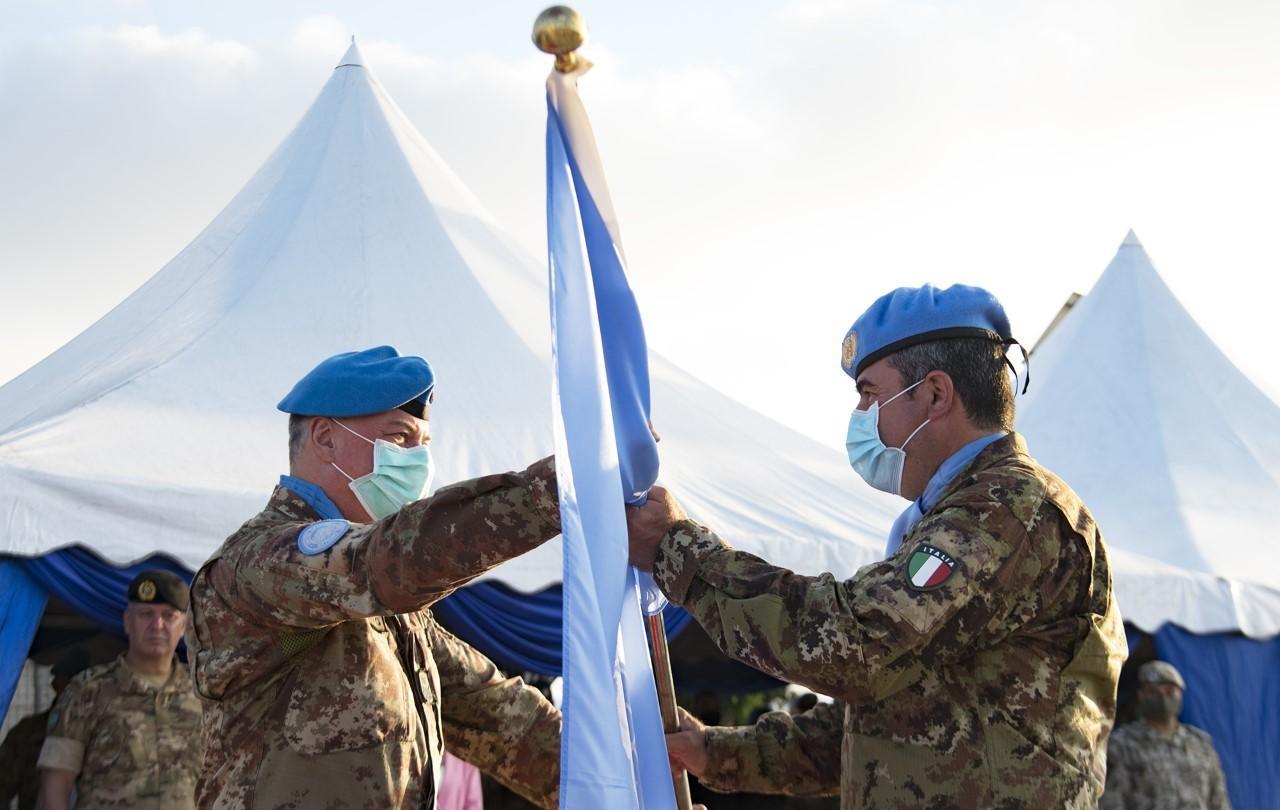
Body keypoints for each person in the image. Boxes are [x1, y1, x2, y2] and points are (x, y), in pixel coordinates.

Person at [627, 284, 1127, 808]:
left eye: (869, 395)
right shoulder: (955, 516)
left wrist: (677, 549)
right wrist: (715, 752)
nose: (861, 416)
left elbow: (853, 644)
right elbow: (884, 719)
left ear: (935, 394)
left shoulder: (1009, 509)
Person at [185, 346, 562, 809]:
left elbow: (496, 714)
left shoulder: (389, 610)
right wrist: (559, 493)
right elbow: (389, 560)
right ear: (325, 438)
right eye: (400, 438)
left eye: (423, 445)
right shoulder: (260, 563)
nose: (418, 462)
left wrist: (621, 773)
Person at [37, 571, 202, 809]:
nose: (157, 625)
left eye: (168, 616)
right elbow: (55, 783)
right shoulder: (87, 691)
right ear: (127, 621)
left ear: (183, 626)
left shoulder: (202, 692)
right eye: (146, 614)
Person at [1100, 660, 1230, 809]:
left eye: (1169, 691)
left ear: (1180, 694)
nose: (1162, 698)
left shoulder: (1201, 745)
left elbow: (1218, 800)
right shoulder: (1123, 745)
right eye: (1154, 692)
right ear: (1141, 696)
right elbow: (1112, 802)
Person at [0, 651, 88, 810]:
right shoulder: (28, 732)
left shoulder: (103, 731)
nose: (76, 692)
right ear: (56, 684)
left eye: (82, 683)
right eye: (69, 682)